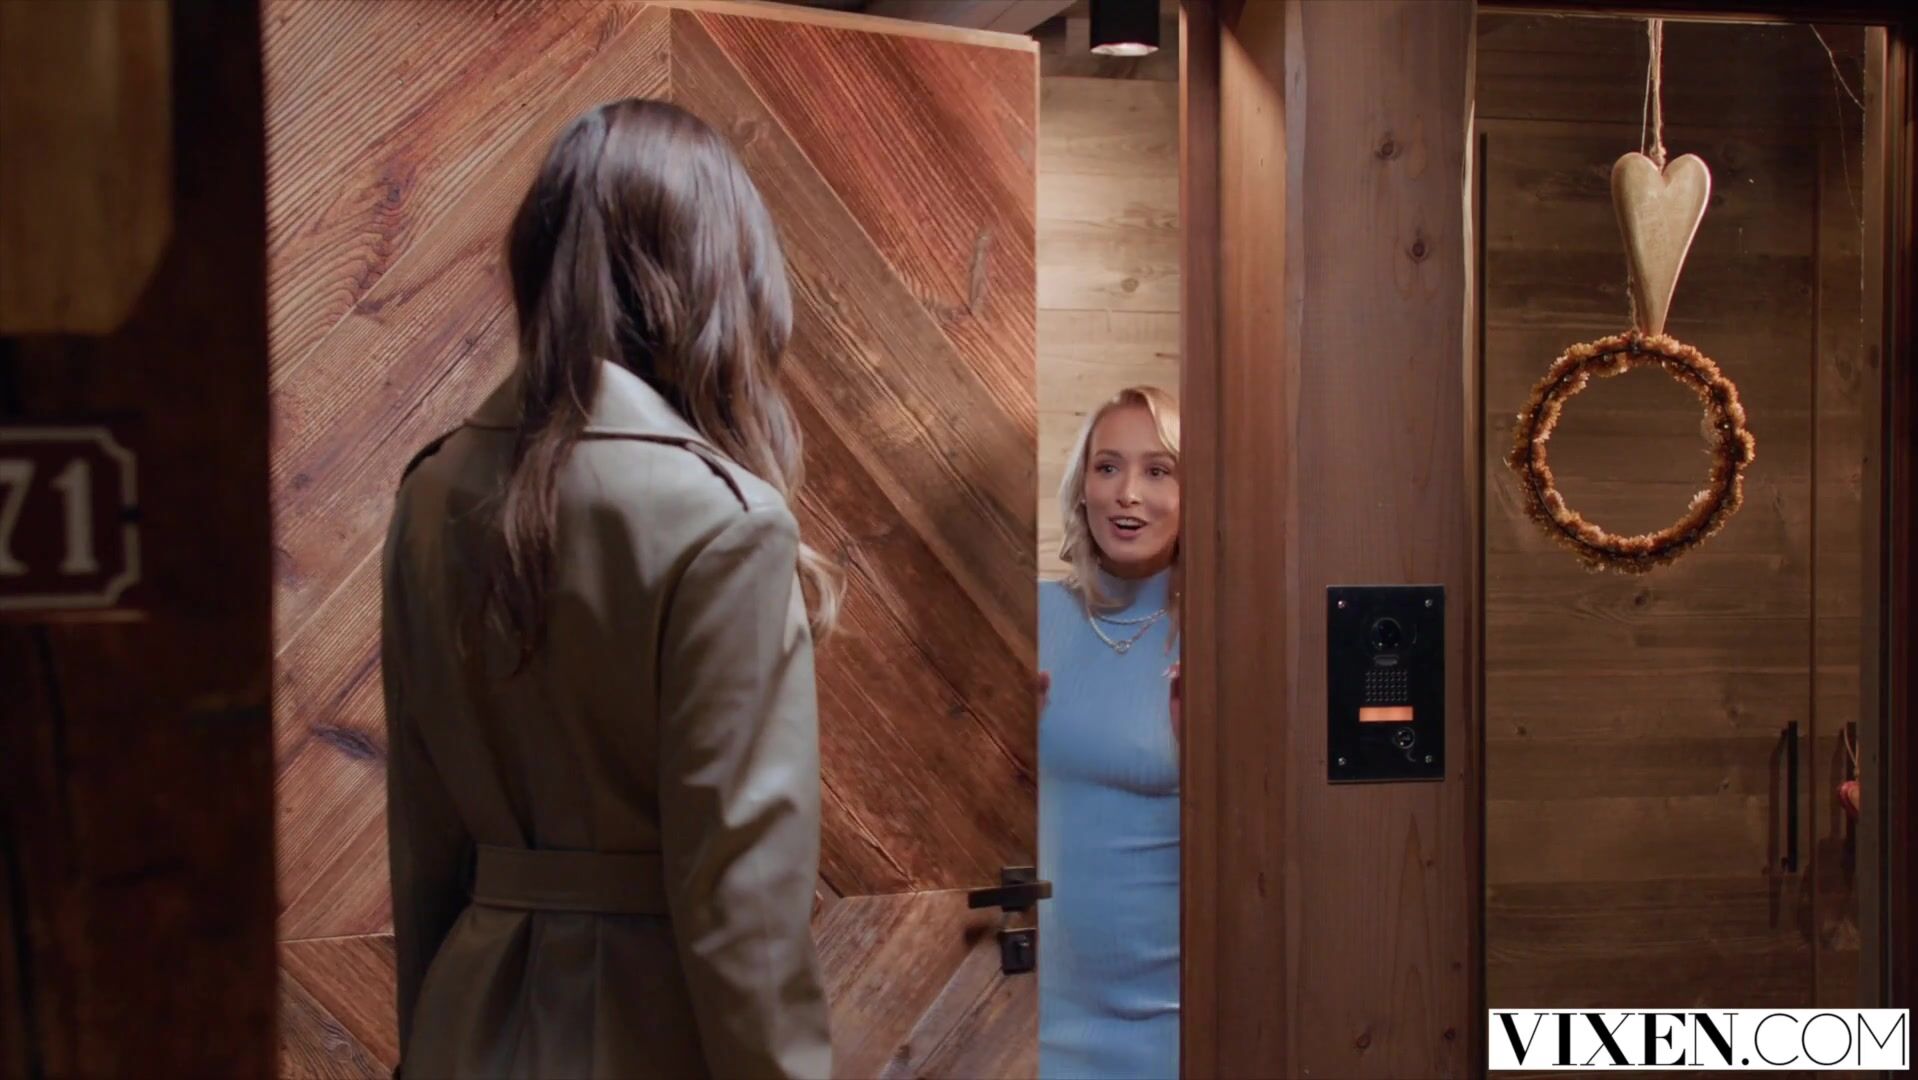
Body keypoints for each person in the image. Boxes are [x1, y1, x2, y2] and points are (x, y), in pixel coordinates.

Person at [380, 99, 838, 1079]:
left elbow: (422, 847)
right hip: (650, 1037)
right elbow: (744, 910)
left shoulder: (431, 492)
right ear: (715, 277)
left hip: (466, 1028)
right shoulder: (727, 521)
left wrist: (426, 1042)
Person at [1037, 385, 1183, 1079]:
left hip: (1173, 1030)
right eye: (1108, 467)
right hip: (1026, 1020)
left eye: (1159, 470)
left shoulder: (1225, 638)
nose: (1128, 494)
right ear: (1082, 485)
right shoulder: (1029, 617)